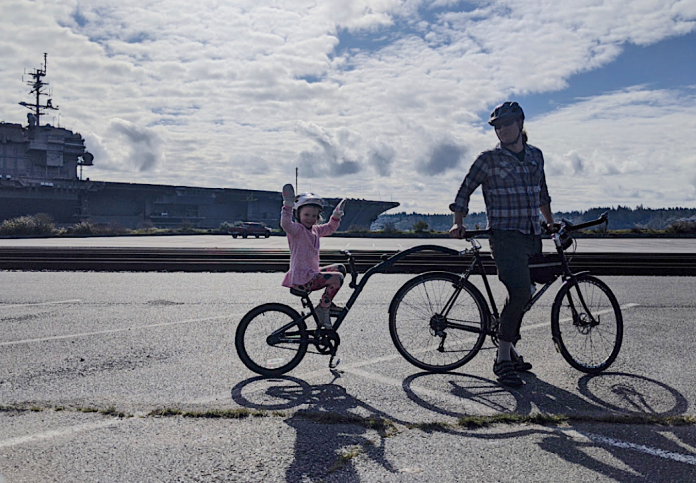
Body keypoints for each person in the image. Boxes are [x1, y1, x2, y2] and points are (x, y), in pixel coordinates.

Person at [449, 101, 555, 388]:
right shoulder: (488, 159)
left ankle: (509, 347)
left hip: (532, 233)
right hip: (504, 235)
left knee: (527, 293)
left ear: (520, 124)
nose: (501, 130)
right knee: (519, 291)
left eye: (506, 124)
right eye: (497, 126)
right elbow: (464, 190)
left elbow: (542, 193)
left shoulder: (536, 156)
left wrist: (550, 222)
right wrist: (458, 221)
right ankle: (502, 360)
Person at [280, 183, 347, 329]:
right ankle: (322, 309)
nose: (311, 218)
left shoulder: (315, 230)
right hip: (302, 278)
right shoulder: (296, 230)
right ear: (298, 214)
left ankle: (326, 303)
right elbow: (285, 224)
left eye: (315, 216)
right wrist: (288, 206)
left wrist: (336, 215)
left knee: (340, 268)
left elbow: (329, 228)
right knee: (337, 278)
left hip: (311, 274)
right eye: (307, 215)